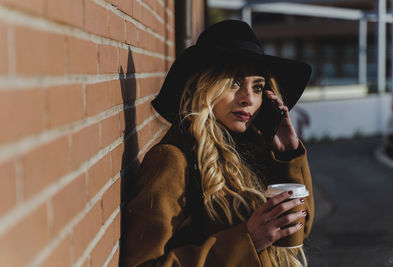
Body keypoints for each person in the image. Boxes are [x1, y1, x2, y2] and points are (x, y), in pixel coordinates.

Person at [121, 20, 314, 267]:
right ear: (205, 85)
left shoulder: (255, 153)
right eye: (234, 82)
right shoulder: (173, 161)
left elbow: (299, 228)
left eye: (258, 87)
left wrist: (288, 155)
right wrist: (246, 242)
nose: (248, 99)